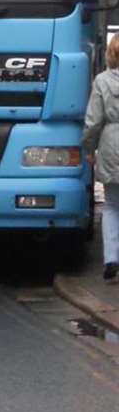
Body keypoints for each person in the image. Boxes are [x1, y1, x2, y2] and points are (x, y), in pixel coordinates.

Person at [81, 33, 119, 283]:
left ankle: (111, 258)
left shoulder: (102, 81)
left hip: (111, 144)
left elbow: (93, 122)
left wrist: (89, 149)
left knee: (112, 206)